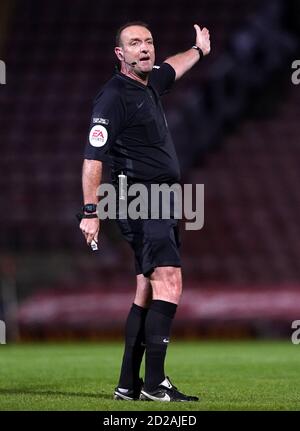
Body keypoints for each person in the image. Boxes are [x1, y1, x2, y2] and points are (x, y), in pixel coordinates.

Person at [80, 21, 211, 402]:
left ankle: (128, 384)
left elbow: (173, 66)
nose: (145, 48)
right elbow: (92, 158)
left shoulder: (149, 82)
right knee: (169, 278)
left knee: (148, 288)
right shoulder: (113, 97)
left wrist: (199, 50)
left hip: (161, 199)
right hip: (139, 198)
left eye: (149, 41)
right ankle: (155, 384)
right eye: (134, 43)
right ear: (119, 54)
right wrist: (91, 211)